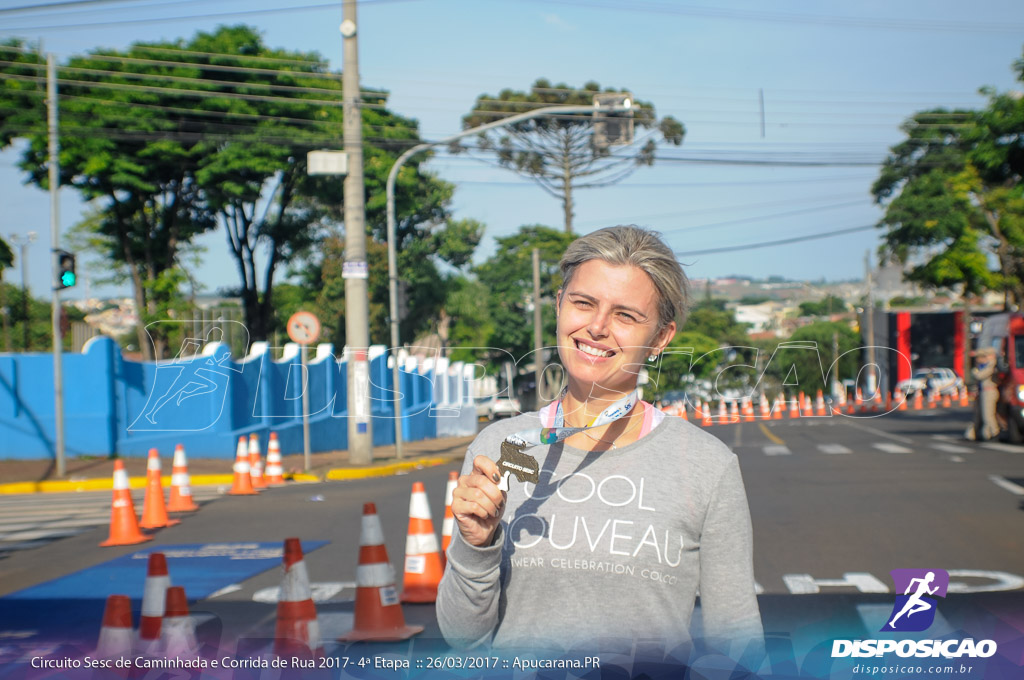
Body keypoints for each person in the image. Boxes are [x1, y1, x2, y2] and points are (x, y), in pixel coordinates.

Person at [436, 225, 763, 660]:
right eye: (583, 303)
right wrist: (476, 545)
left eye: (625, 315)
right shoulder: (498, 446)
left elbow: (737, 643)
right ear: (558, 306)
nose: (597, 327)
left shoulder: (708, 466)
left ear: (661, 338)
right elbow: (462, 640)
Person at [966, 346, 999, 441]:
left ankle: (994, 433)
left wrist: (975, 372)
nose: (978, 359)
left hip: (989, 391)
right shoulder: (984, 365)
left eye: (981, 356)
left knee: (988, 415)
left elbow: (980, 375)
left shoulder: (992, 364)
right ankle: (974, 434)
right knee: (978, 414)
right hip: (983, 391)